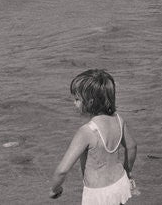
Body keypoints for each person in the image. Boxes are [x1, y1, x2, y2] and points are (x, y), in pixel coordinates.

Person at [49, 68, 137, 202]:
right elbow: (132, 147)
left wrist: (55, 189)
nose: (74, 103)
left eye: (77, 99)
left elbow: (62, 170)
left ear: (90, 102)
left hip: (98, 194)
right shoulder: (118, 120)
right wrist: (128, 171)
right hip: (120, 184)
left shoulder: (86, 132)